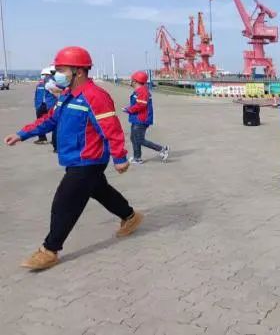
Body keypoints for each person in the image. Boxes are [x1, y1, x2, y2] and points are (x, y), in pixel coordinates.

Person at [4, 46, 143, 271]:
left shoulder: (96, 96)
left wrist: (119, 157)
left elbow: (111, 128)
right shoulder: (67, 95)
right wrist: (23, 134)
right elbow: (50, 119)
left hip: (88, 159)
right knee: (100, 190)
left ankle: (49, 250)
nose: (57, 74)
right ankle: (130, 216)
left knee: (65, 202)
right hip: (74, 157)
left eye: (61, 70)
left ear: (78, 71)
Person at [123, 71, 169, 165]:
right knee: (134, 138)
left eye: (131, 80)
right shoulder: (139, 90)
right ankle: (137, 158)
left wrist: (129, 109)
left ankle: (162, 149)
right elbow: (138, 104)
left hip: (141, 119)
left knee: (139, 139)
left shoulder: (142, 91)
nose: (130, 82)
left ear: (135, 81)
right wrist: (129, 109)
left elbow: (141, 105)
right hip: (136, 118)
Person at [33, 67, 58, 145]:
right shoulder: (39, 84)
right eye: (43, 74)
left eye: (46, 75)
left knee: (54, 122)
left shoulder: (54, 83)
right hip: (41, 105)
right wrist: (36, 105)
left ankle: (54, 141)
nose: (44, 76)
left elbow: (57, 94)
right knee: (39, 122)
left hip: (51, 105)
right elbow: (36, 95)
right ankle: (42, 138)